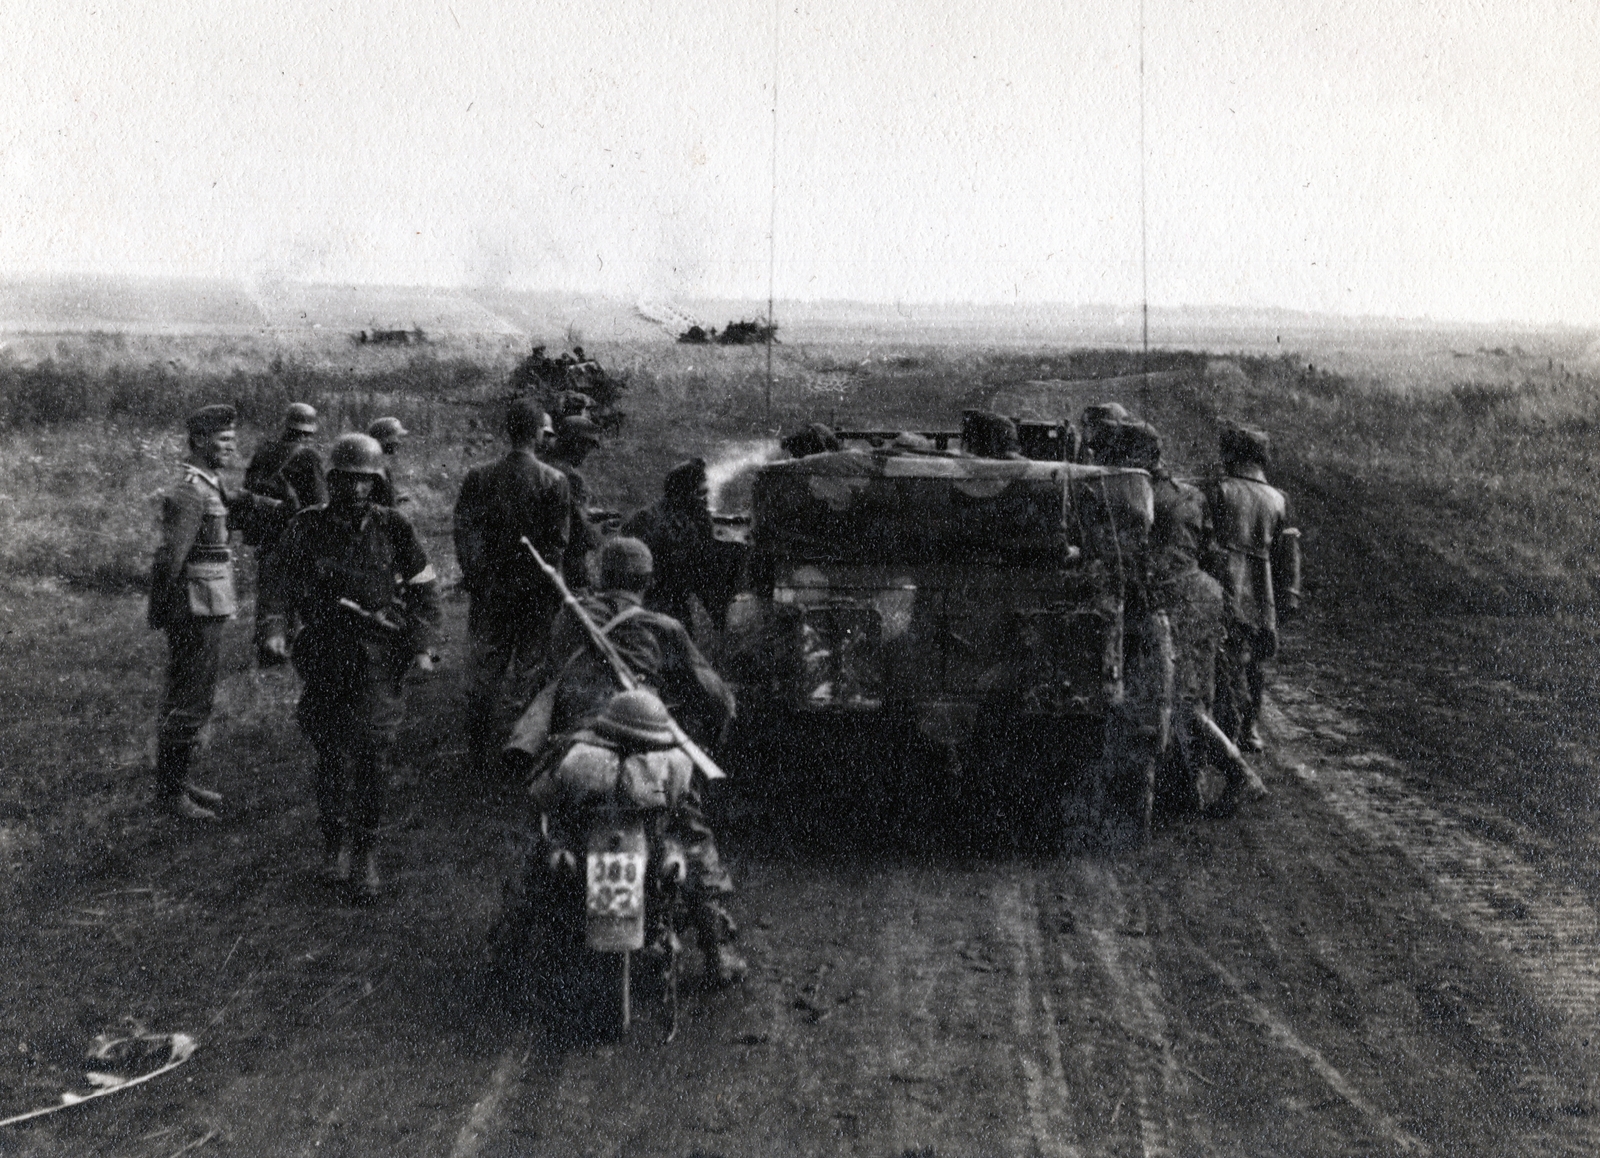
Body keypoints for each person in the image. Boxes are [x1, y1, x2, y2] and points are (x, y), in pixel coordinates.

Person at [269, 433, 441, 899]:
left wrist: (421, 644)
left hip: (378, 659)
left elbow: (424, 587)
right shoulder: (307, 527)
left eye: (367, 481)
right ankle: (333, 848)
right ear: (331, 480)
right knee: (331, 754)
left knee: (372, 755)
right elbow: (279, 580)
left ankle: (365, 853)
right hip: (325, 655)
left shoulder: (394, 528)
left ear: (378, 482)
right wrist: (274, 628)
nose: (358, 490)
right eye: (348, 481)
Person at [1113, 420, 1268, 814]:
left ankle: (1239, 774)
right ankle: (1188, 788)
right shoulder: (1187, 494)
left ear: (1140, 457)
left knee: (1178, 700)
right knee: (1196, 695)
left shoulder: (1141, 495)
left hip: (1176, 599)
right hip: (1202, 594)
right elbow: (1208, 550)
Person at [147, 404, 289, 820]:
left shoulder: (210, 485)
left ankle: (178, 781)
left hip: (205, 606)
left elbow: (234, 498)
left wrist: (275, 505)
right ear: (199, 442)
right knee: (190, 697)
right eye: (223, 441)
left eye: (232, 439)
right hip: (193, 609)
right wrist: (164, 613)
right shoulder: (191, 491)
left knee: (193, 694)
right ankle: (171, 795)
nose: (232, 447)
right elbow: (169, 558)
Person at [453, 399, 572, 771]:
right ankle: (520, 752)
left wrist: (478, 579)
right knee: (530, 671)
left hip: (492, 593)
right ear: (539, 433)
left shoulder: (479, 476)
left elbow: (464, 533)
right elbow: (557, 545)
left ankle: (477, 754)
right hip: (535, 596)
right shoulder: (554, 481)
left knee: (484, 670)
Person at [1205, 422, 1302, 755]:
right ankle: (1250, 728)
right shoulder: (1278, 499)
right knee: (1256, 663)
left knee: (1221, 656)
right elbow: (1287, 555)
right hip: (1261, 588)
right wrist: (1290, 593)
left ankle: (1221, 727)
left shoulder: (1218, 490)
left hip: (1225, 580)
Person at [244, 402, 327, 665]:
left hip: (268, 539)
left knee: (271, 596)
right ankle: (297, 653)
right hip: (297, 538)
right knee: (302, 595)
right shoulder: (308, 456)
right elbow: (319, 502)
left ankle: (268, 653)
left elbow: (248, 493)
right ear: (310, 429)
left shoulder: (263, 451)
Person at [621, 458, 742, 636]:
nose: (706, 501)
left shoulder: (650, 516)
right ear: (682, 494)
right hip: (652, 602)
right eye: (700, 494)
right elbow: (702, 575)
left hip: (659, 602)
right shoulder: (661, 522)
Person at [543, 413, 605, 592]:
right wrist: (598, 531)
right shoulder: (571, 477)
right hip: (567, 564)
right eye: (587, 446)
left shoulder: (541, 466)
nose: (587, 454)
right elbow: (580, 530)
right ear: (575, 443)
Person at [366, 416, 408, 508]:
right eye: (396, 437)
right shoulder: (378, 467)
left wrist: (396, 496)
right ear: (385, 439)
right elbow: (388, 507)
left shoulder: (372, 460)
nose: (398, 442)